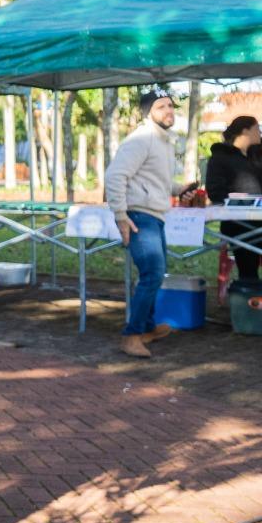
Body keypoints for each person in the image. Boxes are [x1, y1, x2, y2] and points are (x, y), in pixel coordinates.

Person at [104, 89, 198, 359]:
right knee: (152, 274)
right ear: (148, 113)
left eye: (170, 105)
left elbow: (156, 181)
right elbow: (115, 176)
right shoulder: (142, 138)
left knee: (156, 274)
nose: (169, 110)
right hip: (139, 216)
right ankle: (131, 336)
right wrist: (120, 216)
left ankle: (146, 328)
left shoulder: (163, 141)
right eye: (161, 106)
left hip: (154, 216)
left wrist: (181, 189)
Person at [205, 115, 262, 282]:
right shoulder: (220, 157)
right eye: (257, 129)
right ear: (245, 131)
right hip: (238, 222)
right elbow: (215, 192)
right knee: (248, 263)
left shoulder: (257, 155)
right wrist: (239, 200)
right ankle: (249, 289)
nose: (260, 133)